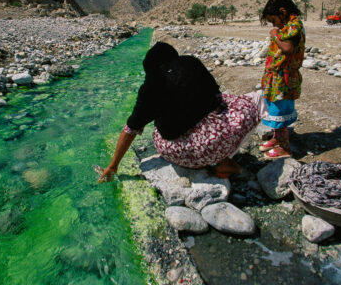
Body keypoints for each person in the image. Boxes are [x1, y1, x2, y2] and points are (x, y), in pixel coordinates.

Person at [98, 42, 259, 182]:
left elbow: (130, 129)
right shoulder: (192, 62)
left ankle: (220, 163)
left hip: (195, 154)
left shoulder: (151, 86)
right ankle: (226, 159)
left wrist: (113, 165)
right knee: (235, 100)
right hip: (227, 136)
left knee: (156, 129)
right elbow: (217, 96)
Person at [258, 0, 306, 159]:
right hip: (276, 78)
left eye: (273, 20)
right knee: (273, 109)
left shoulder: (294, 26)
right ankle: (277, 138)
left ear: (283, 12)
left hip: (283, 80)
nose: (273, 25)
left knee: (280, 112)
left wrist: (275, 35)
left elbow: (287, 48)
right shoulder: (288, 25)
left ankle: (285, 148)